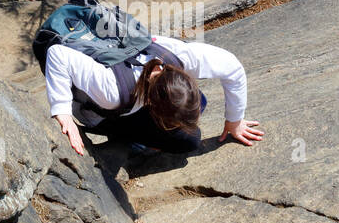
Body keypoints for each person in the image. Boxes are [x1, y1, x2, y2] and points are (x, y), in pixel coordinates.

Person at [44, 34, 264, 156]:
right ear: (151, 106)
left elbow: (232, 68)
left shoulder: (179, 56)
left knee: (199, 103)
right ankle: (133, 142)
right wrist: (61, 110)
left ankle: (147, 133)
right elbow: (56, 53)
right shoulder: (111, 93)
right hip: (100, 110)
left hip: (131, 88)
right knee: (188, 141)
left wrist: (234, 121)